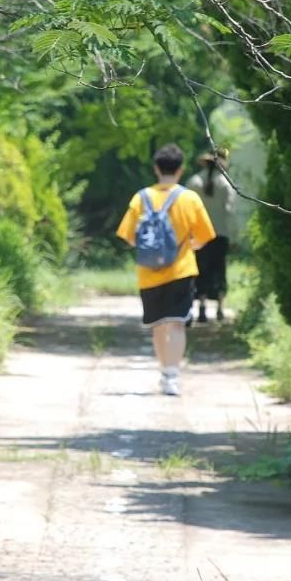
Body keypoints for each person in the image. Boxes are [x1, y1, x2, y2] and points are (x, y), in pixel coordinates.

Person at [116, 143, 216, 396]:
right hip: (181, 269)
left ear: (156, 169)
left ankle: (164, 372)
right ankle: (172, 376)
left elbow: (128, 236)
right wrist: (187, 246)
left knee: (158, 325)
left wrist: (151, 249)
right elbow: (205, 235)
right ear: (180, 169)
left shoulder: (141, 197)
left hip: (148, 274)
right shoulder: (189, 198)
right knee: (177, 324)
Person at [186, 148, 236, 323]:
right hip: (220, 233)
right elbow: (230, 210)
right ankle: (220, 308)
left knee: (200, 270)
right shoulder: (225, 184)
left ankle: (201, 307)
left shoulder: (193, 182)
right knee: (219, 269)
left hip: (198, 236)